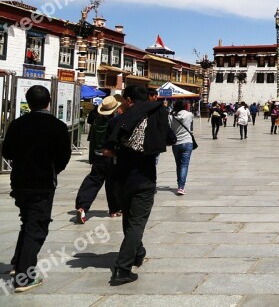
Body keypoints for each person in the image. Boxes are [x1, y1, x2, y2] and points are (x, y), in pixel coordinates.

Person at [102, 84, 176, 286]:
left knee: (129, 219)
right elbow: (171, 139)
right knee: (137, 222)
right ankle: (122, 269)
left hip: (120, 178)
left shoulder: (118, 121)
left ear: (128, 100)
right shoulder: (157, 117)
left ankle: (137, 252)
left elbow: (106, 151)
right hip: (144, 178)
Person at [2, 85, 71, 292]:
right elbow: (63, 156)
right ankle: (24, 277)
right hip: (42, 183)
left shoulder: (17, 124)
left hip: (20, 182)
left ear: (28, 102)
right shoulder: (57, 126)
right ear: (49, 101)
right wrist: (53, 169)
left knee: (28, 221)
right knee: (37, 226)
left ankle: (18, 262)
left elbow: (7, 151)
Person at [76, 95, 123, 224]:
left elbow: (93, 140)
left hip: (98, 156)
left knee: (93, 181)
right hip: (111, 155)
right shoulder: (115, 122)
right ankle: (114, 210)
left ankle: (82, 206)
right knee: (112, 183)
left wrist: (92, 157)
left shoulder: (97, 121)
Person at [169, 100, 194, 195]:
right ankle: (181, 187)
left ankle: (179, 184)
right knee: (184, 165)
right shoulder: (190, 114)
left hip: (176, 143)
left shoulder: (171, 116)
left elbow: (170, 129)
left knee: (178, 165)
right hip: (187, 142)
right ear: (185, 106)